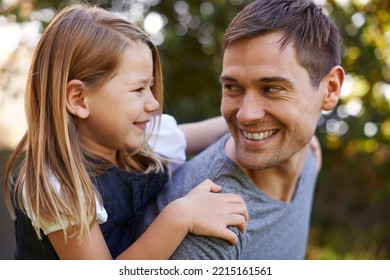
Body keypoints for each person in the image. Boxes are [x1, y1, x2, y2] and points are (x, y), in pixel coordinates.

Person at [3, 4, 249, 260]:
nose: (153, 103)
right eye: (138, 90)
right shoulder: (59, 186)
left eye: (151, 87)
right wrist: (180, 216)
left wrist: (251, 116)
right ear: (79, 99)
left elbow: (215, 129)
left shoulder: (144, 139)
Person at [138, 0, 345, 259]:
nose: (246, 116)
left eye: (271, 89)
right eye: (232, 87)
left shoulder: (308, 159)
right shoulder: (213, 228)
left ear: (331, 89)